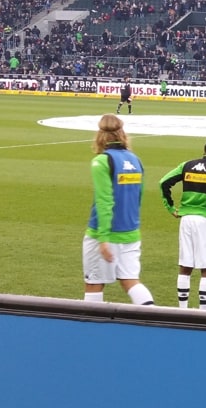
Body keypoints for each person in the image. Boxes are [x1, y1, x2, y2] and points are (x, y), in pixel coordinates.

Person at [83, 113, 154, 305]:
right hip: (131, 232)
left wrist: (103, 238)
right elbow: (138, 197)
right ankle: (154, 318)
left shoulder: (101, 161)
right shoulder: (135, 160)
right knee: (130, 281)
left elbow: (104, 201)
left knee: (94, 284)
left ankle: (91, 325)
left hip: (105, 233)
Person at [159, 140, 206, 310]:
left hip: (186, 219)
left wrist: (171, 208)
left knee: (185, 265)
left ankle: (182, 310)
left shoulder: (186, 165)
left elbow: (164, 182)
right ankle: (204, 313)